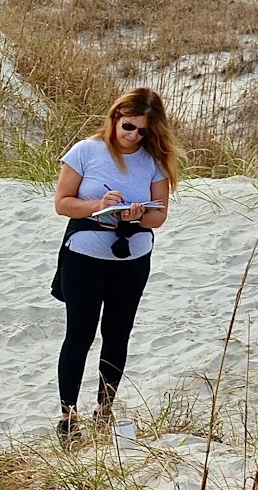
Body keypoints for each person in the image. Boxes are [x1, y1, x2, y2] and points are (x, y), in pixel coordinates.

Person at [51, 87, 177, 445]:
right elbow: (62, 203)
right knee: (80, 334)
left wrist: (138, 214)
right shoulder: (86, 151)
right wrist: (99, 204)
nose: (134, 136)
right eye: (129, 126)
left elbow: (159, 217)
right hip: (85, 257)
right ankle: (67, 416)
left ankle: (105, 410)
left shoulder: (154, 160)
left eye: (143, 131)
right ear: (115, 117)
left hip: (132, 259)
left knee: (117, 334)